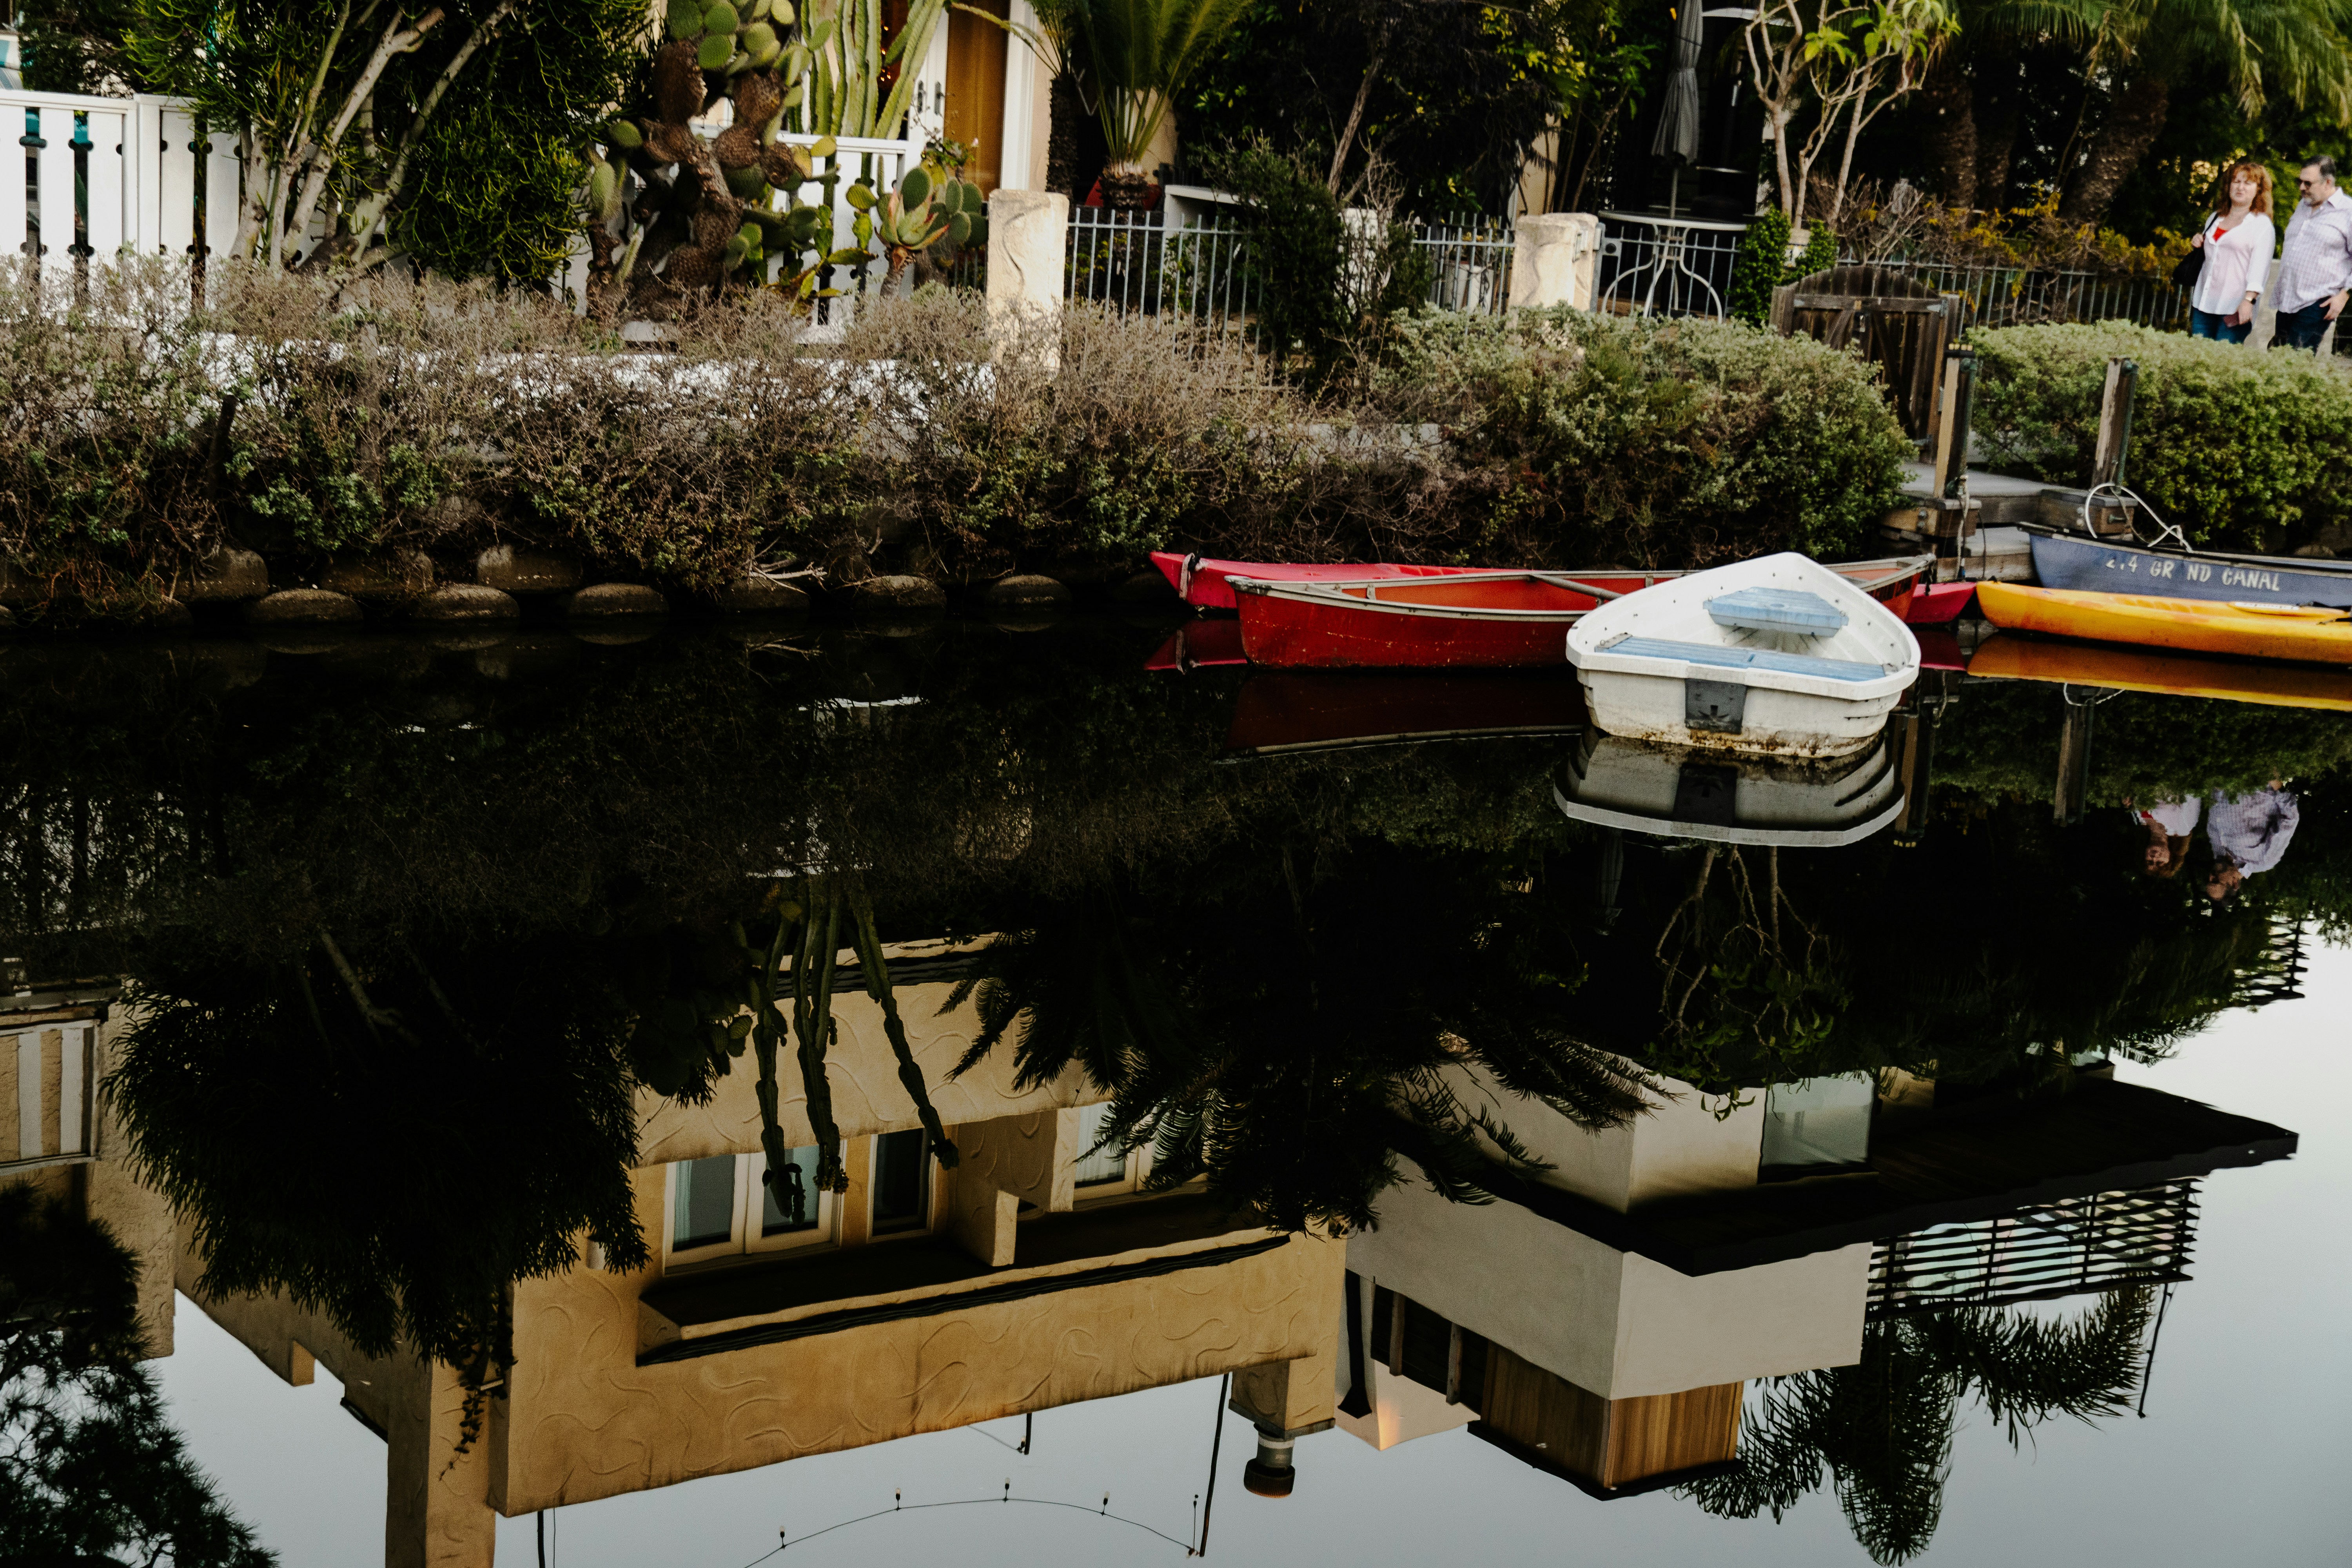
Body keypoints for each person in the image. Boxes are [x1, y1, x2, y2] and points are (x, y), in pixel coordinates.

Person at [2186, 163, 2275, 342]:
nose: (2240, 187)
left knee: (2221, 358)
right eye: (2236, 182)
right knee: (2197, 356)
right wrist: (2199, 241)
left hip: (2234, 307)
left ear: (2259, 189)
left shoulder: (2261, 225)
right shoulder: (2215, 218)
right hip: (2203, 303)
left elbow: (2260, 269)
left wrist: (2249, 301)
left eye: (2248, 183)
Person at [2271, 157, 2352, 352]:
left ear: (2328, 182)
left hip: (2318, 301)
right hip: (2288, 298)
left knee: (2294, 361)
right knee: (2277, 358)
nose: (2302, 187)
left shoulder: (2348, 211)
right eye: (2300, 181)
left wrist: (2345, 295)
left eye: (2308, 183)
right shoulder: (2303, 206)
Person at [2204, 784, 2298, 902]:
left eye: (2209, 880)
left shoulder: (2218, 852)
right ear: (2234, 883)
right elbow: (2289, 821)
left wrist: (2218, 786)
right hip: (2259, 779)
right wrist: (2278, 787)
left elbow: (2215, 808)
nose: (2211, 876)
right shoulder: (2263, 861)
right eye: (2216, 881)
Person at [2128, 797, 2200, 878]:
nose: (2154, 858)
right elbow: (2194, 795)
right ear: (2171, 858)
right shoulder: (2183, 828)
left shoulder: (2139, 821)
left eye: (2149, 862)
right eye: (2160, 862)